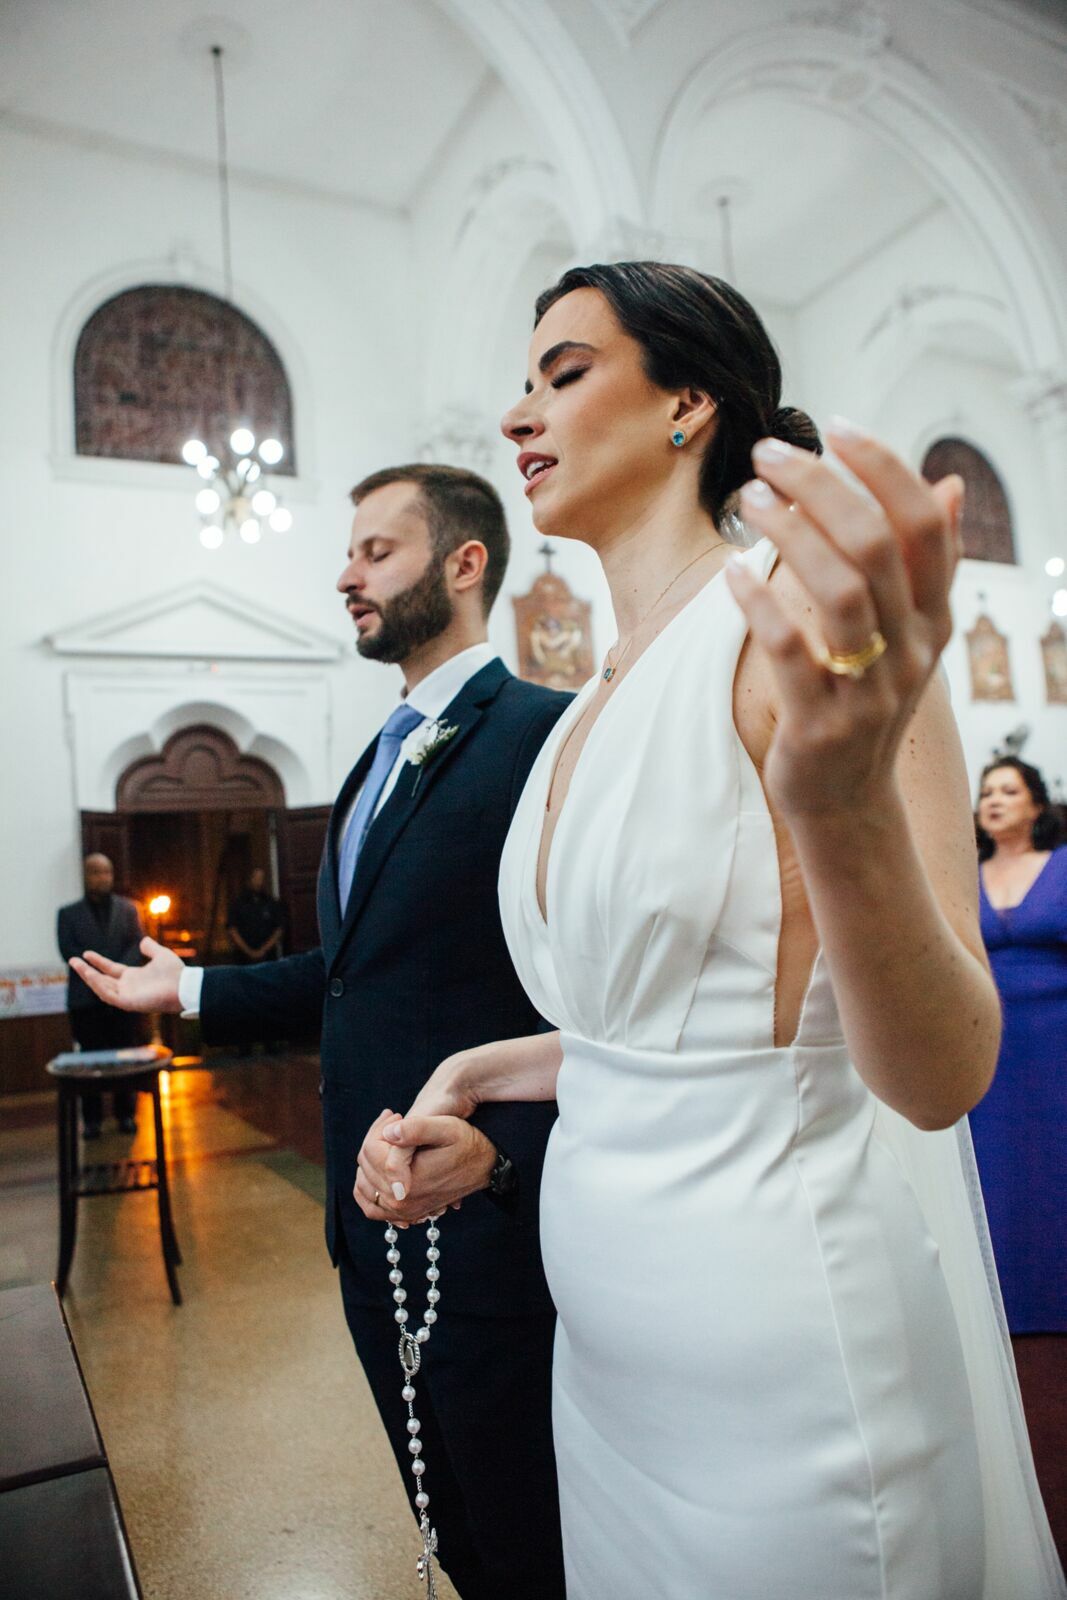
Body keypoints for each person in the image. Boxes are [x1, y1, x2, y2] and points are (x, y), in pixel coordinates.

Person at [359, 264, 1066, 1598]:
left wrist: (836, 805)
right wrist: (472, 1074)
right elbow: (679, 1023)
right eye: (520, 383)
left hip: (777, 1358)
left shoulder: (803, 626)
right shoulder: (582, 702)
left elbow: (941, 1074)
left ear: (686, 402)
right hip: (607, 1366)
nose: (516, 415)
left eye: (564, 373)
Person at [70, 464, 572, 1600]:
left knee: (531, 1533)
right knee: (455, 1530)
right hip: (363, 1222)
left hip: (486, 1217)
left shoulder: (543, 737)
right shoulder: (374, 762)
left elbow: (589, 1000)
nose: (347, 576)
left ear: (464, 564)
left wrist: (508, 1160)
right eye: (348, 553)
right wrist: (190, 989)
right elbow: (349, 979)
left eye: (376, 552)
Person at [970, 757, 1067, 1332]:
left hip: (1058, 1043)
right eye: (986, 792)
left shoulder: (1063, 865)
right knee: (997, 1168)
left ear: (1036, 803)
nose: (994, 800)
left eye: (1008, 790)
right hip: (987, 1045)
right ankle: (1002, 1305)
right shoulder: (961, 872)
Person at [57, 853, 147, 1136]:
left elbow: (137, 945)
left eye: (107, 872)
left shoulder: (129, 909)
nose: (102, 877)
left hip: (122, 995)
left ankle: (126, 1115)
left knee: (125, 1056)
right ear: (85, 875)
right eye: (95, 872)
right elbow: (68, 951)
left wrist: (113, 973)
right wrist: (99, 975)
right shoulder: (68, 914)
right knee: (89, 1060)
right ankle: (92, 1120)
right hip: (85, 1000)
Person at [226, 867, 284, 964]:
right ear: (250, 879)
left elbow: (279, 929)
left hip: (268, 957)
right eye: (256, 878)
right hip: (244, 958)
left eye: (261, 878)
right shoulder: (238, 903)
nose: (259, 882)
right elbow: (232, 929)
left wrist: (263, 950)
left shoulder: (271, 902)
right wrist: (249, 952)